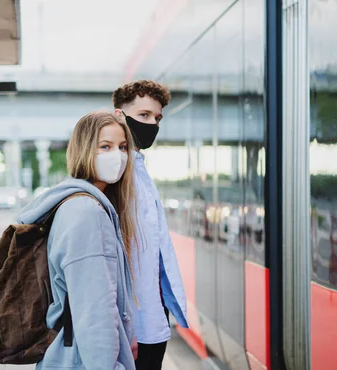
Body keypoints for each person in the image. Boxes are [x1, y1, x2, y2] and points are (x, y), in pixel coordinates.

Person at [17, 111, 138, 370]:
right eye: (105, 146)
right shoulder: (88, 212)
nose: (117, 155)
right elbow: (95, 311)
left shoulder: (74, 203)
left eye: (123, 147)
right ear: (84, 150)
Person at [112, 80, 189, 369]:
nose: (152, 124)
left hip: (151, 312)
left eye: (157, 118)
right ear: (120, 115)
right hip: (134, 320)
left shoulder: (140, 171)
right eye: (143, 115)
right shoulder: (116, 173)